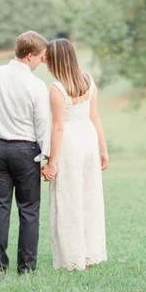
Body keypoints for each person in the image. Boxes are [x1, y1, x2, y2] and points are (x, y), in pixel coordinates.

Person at [0, 31, 50, 274]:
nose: (43, 62)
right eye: (42, 57)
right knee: (29, 210)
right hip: (26, 151)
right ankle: (26, 267)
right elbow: (42, 123)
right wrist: (45, 157)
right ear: (29, 55)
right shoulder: (35, 85)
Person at [41, 38, 108, 271]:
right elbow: (95, 117)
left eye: (48, 58)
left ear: (58, 59)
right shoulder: (89, 81)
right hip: (88, 140)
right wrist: (103, 148)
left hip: (69, 144)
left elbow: (58, 127)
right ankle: (90, 254)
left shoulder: (57, 88)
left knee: (68, 198)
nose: (45, 62)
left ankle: (72, 259)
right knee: (89, 197)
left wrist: (51, 162)